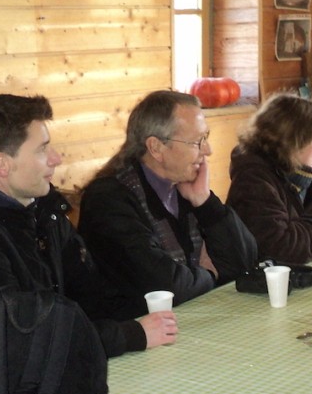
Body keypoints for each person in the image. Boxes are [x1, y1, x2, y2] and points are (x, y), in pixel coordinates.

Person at [0, 94, 178, 358]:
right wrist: (129, 335)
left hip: (55, 368)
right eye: (43, 149)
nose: (56, 158)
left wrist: (140, 320)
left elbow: (93, 295)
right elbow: (19, 338)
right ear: (2, 165)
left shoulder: (45, 211)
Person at [78, 91, 257, 315]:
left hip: (189, 322)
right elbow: (163, 286)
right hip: (133, 336)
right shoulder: (108, 200)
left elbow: (246, 261)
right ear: (156, 148)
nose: (207, 150)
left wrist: (205, 203)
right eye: (196, 141)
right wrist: (209, 274)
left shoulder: (185, 188)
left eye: (206, 137)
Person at [226, 93, 312, 264]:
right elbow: (281, 247)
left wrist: (298, 228)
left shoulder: (308, 173)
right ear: (294, 140)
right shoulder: (253, 180)